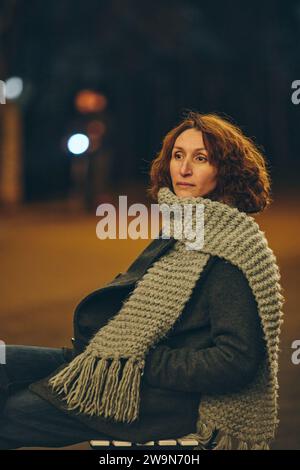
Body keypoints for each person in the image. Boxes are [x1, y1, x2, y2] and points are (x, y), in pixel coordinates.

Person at [0, 111, 284, 450]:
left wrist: (141, 363)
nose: (184, 169)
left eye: (201, 158)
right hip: (117, 363)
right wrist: (118, 355)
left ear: (227, 172)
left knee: (12, 416)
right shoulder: (185, 228)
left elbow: (237, 361)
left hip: (166, 400)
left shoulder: (230, 251)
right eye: (178, 155)